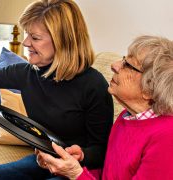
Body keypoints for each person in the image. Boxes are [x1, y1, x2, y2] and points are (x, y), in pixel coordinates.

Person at [0, 0, 114, 179]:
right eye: (27, 34)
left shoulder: (94, 86)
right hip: (44, 160)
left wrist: (81, 156)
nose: (25, 42)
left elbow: (101, 150)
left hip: (77, 169)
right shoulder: (27, 73)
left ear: (62, 42)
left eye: (35, 37)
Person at [37, 35, 173, 179]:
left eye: (127, 64)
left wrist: (76, 174)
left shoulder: (167, 137)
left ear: (149, 90)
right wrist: (80, 158)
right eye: (123, 59)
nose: (114, 65)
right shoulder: (127, 117)